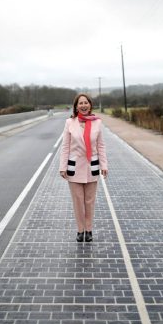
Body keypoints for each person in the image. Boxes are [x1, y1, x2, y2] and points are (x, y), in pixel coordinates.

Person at [59, 93, 108, 242]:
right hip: (74, 167)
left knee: (90, 201)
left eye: (86, 103)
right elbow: (65, 146)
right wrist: (63, 166)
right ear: (76, 106)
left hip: (91, 166)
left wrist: (104, 165)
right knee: (78, 201)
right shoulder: (69, 123)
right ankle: (80, 230)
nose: (83, 105)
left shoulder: (97, 123)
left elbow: (101, 145)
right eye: (80, 103)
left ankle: (89, 230)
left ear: (90, 105)